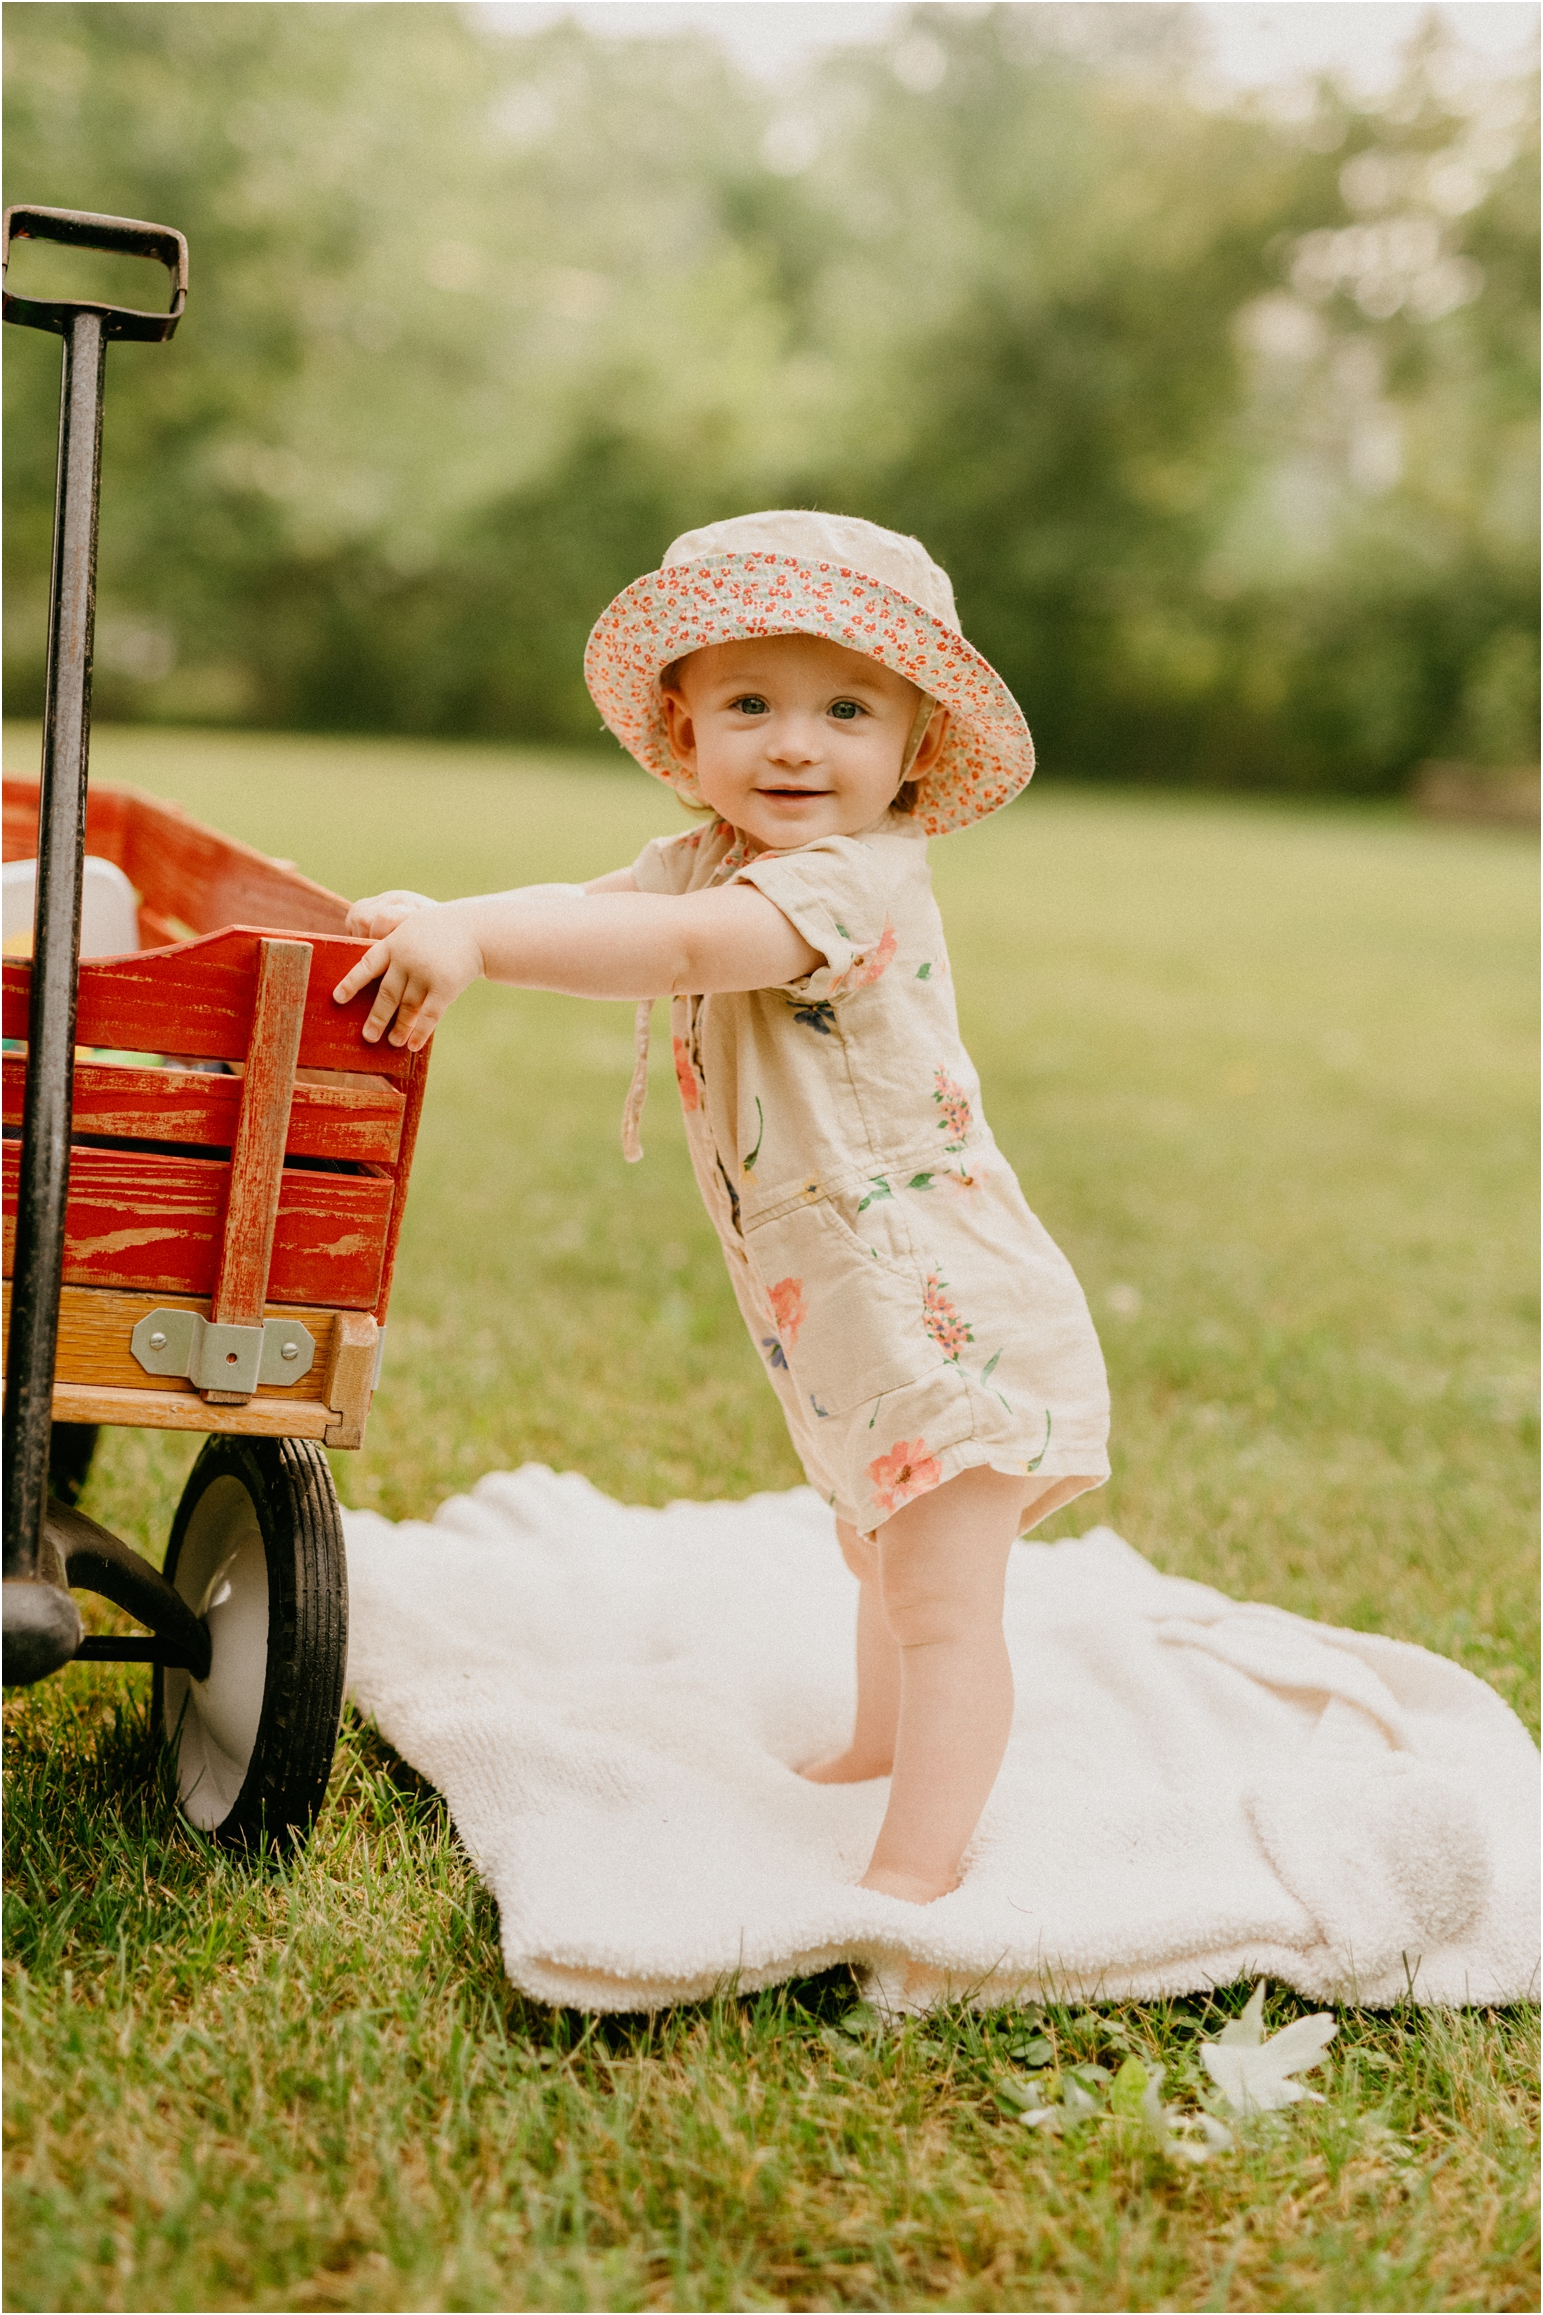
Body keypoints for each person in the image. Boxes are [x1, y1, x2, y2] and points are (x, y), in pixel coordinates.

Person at [334, 510, 1110, 1903]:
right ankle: (877, 1752)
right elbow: (596, 899)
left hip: (947, 1308)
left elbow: (687, 950)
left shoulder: (847, 876)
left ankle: (920, 1871)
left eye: (847, 709)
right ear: (684, 731)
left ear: (915, 745)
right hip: (845, 1312)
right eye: (751, 704)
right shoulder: (710, 851)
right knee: (871, 1544)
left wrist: (483, 946)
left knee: (938, 1597)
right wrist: (454, 912)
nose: (797, 744)